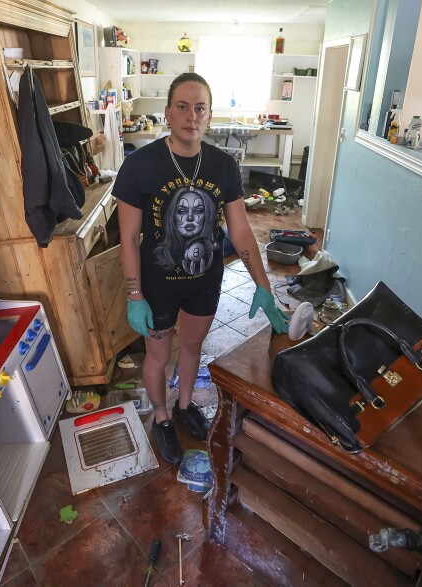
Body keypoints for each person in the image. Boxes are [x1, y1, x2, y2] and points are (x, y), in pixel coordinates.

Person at [115, 73, 289, 464]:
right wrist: (134, 295)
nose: (191, 116)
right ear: (167, 112)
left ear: (209, 116)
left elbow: (240, 230)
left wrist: (263, 285)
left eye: (200, 108)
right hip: (157, 286)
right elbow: (128, 238)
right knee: (158, 357)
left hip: (205, 281)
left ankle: (184, 406)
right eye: (182, 107)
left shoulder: (223, 165)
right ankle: (162, 418)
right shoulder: (140, 166)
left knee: (193, 347)